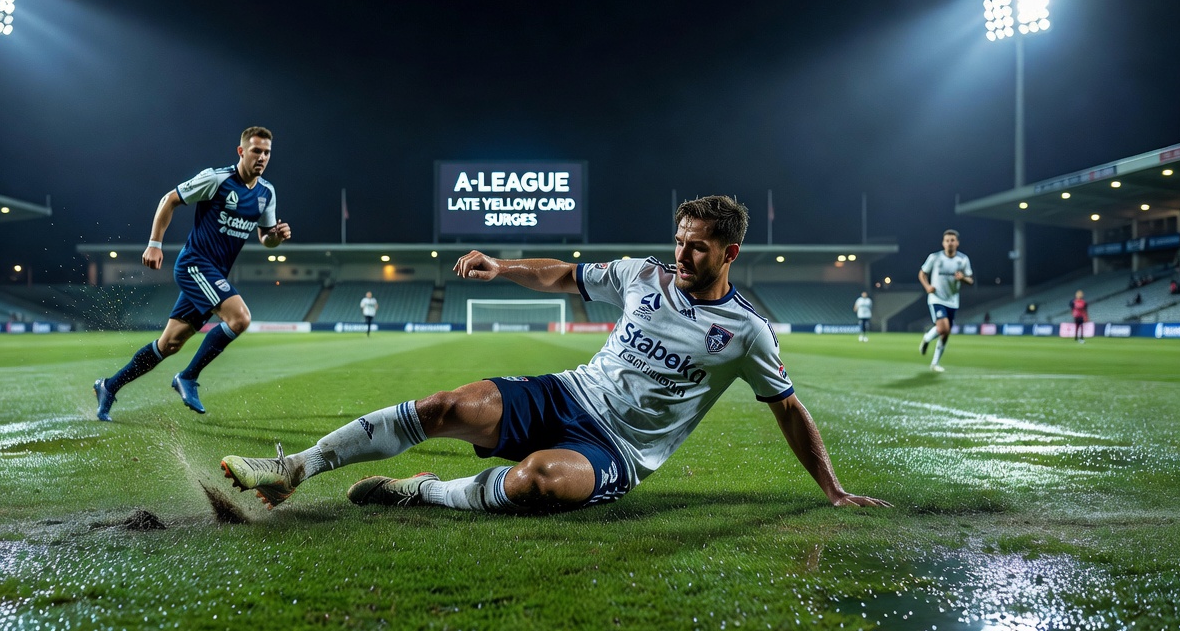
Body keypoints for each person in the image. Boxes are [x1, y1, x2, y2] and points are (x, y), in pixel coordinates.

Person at [220, 195, 890, 515]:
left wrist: (831, 488)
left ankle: (424, 493)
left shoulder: (747, 332)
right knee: (445, 405)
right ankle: (295, 467)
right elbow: (563, 276)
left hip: (621, 451)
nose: (682, 255)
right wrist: (499, 266)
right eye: (679, 241)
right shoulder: (642, 275)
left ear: (728, 254)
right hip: (567, 393)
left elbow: (789, 410)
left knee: (542, 482)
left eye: (697, 247)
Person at [93, 126, 291, 421]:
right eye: (256, 151)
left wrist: (277, 236)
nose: (262, 157)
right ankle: (187, 377)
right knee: (240, 318)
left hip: (214, 274)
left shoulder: (266, 193)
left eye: (267, 153)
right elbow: (169, 199)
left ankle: (109, 386)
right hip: (194, 264)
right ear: (241, 151)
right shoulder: (217, 179)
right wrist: (154, 245)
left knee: (169, 344)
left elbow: (265, 239)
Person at [917, 229, 973, 372]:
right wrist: (927, 286)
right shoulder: (934, 258)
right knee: (944, 328)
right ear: (943, 243)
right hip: (936, 298)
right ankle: (927, 339)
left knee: (945, 333)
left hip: (953, 300)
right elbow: (922, 273)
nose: (950, 243)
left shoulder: (963, 259)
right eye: (947, 240)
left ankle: (934, 361)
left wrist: (963, 278)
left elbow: (970, 280)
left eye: (952, 240)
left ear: (957, 243)